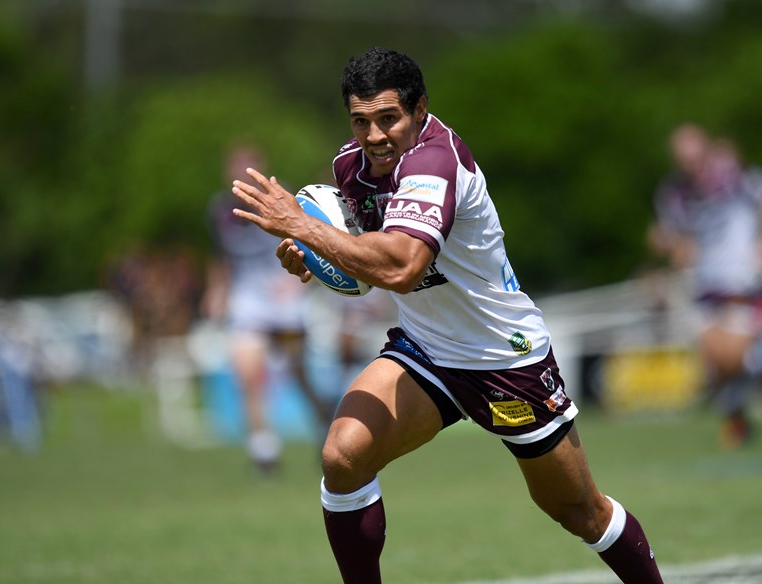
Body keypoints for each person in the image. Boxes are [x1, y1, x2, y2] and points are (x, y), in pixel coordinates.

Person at [231, 47, 663, 583]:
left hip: (503, 357)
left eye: (388, 118)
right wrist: (316, 257)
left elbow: (405, 267)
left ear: (420, 109)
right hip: (426, 350)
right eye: (360, 121)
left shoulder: (436, 161)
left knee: (580, 512)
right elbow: (366, 260)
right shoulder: (350, 167)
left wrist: (304, 228)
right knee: (343, 456)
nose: (374, 136)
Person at [204, 142, 337, 473]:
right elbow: (221, 258)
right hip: (248, 300)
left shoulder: (283, 199)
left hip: (285, 299)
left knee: (298, 375)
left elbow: (311, 241)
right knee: (247, 373)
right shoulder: (220, 211)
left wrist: (295, 281)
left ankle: (325, 424)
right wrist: (216, 292)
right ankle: (264, 450)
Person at [649, 123, 762, 449]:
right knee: (719, 363)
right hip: (705, 286)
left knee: (738, 356)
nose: (692, 165)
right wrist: (667, 247)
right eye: (684, 160)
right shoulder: (675, 193)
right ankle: (736, 416)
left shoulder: (737, 179)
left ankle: (736, 417)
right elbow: (675, 239)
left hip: (743, 283)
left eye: (696, 157)